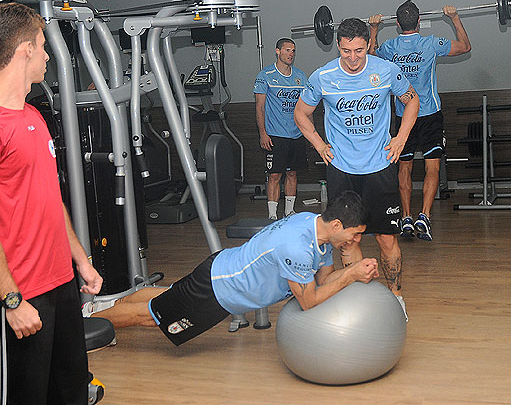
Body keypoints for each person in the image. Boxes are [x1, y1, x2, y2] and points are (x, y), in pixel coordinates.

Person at [0, 3, 102, 404]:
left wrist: (81, 260)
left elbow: (51, 198)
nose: (48, 55)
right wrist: (12, 301)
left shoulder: (33, 116)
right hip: (18, 296)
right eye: (43, 45)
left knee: (71, 392)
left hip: (61, 285)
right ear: (24, 51)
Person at [88, 191, 379, 346]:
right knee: (151, 316)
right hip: (218, 289)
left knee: (167, 297)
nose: (355, 241)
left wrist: (353, 267)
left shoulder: (316, 229)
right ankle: (86, 329)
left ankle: (103, 310)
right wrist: (352, 274)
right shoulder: (297, 248)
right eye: (355, 235)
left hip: (221, 272)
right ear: (338, 225)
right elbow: (310, 300)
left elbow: (324, 281)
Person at [294, 18, 420, 322]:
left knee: (387, 239)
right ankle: (362, 299)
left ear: (368, 45)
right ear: (338, 45)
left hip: (379, 168)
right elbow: (301, 113)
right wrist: (319, 144)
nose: (353, 58)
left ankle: (396, 297)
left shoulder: (386, 70)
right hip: (342, 171)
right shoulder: (323, 76)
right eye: (347, 51)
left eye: (360, 51)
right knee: (348, 239)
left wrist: (401, 138)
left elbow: (413, 100)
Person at [368, 0, 471, 240]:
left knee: (404, 167)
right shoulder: (431, 43)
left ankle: (406, 217)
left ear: (397, 24)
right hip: (430, 115)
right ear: (420, 22)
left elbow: (370, 56)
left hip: (404, 117)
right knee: (432, 165)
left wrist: (373, 28)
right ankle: (424, 215)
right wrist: (454, 17)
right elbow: (465, 46)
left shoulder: (390, 47)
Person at [254, 38, 310, 220]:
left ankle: (289, 211)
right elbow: (259, 107)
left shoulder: (301, 76)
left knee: (292, 173)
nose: (291, 54)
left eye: (293, 51)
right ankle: (272, 215)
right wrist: (263, 133)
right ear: (277, 51)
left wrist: (311, 134)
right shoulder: (266, 75)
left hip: (296, 134)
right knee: (275, 175)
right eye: (287, 50)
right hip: (275, 135)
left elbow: (307, 108)